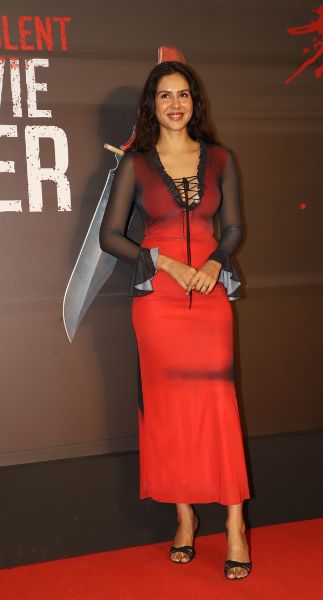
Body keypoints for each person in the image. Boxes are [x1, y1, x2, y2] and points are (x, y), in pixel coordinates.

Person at [99, 60, 252, 581]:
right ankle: (185, 517)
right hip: (158, 300)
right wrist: (164, 263)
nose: (175, 104)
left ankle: (235, 524)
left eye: (183, 94)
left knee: (219, 406)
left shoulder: (221, 159)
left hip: (209, 296)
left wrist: (212, 263)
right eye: (164, 95)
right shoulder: (135, 165)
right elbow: (111, 236)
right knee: (169, 410)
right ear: (152, 104)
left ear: (194, 102)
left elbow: (233, 228)